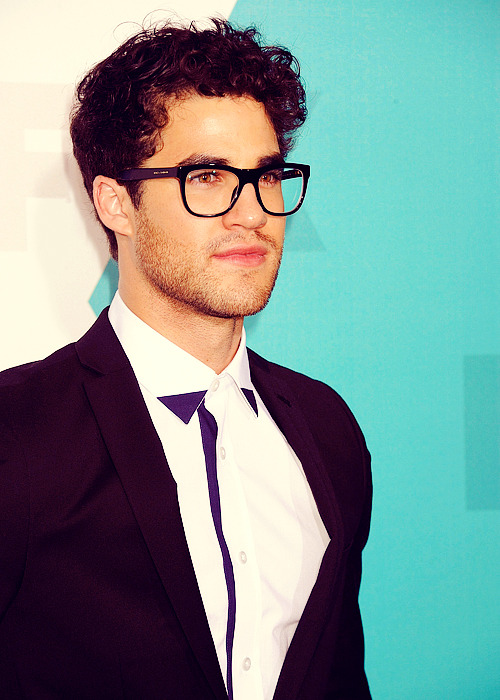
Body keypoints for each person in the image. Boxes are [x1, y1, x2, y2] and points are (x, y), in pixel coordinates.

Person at [0, 18, 372, 700]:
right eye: (206, 176)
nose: (251, 213)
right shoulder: (15, 430)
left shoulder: (327, 429)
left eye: (266, 175)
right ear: (116, 203)